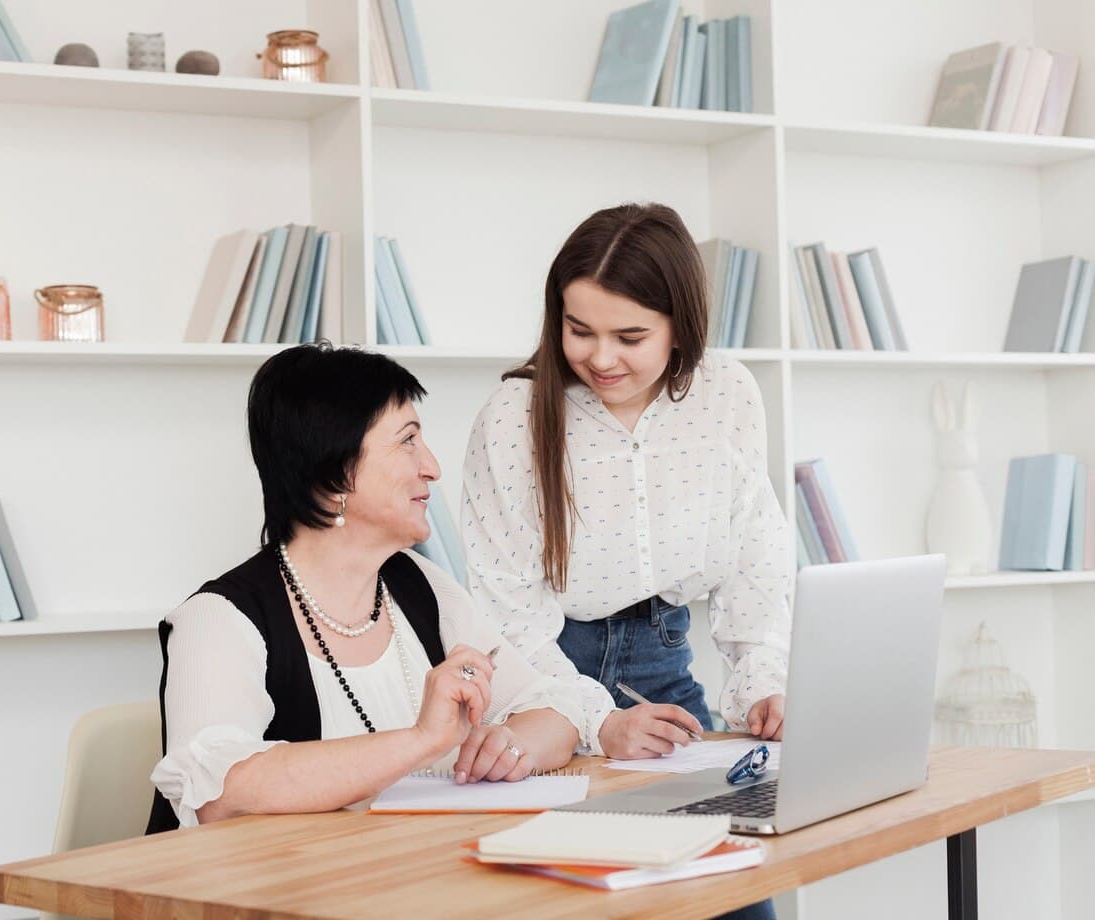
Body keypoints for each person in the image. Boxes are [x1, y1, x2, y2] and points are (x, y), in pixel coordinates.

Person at [147, 344, 582, 832]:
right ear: (334, 474)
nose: (432, 467)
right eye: (407, 441)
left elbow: (558, 709)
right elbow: (222, 792)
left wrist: (510, 747)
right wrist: (422, 740)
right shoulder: (218, 618)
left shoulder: (421, 587)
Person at [462, 201, 792, 761]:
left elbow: (753, 565)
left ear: (680, 328)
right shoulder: (513, 415)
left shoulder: (727, 394)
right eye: (580, 330)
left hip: (667, 681)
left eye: (630, 337)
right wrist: (599, 721)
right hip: (545, 697)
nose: (601, 357)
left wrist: (764, 684)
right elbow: (506, 613)